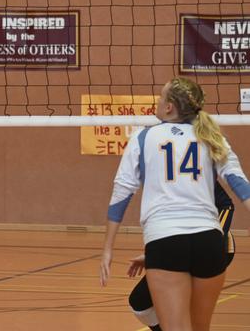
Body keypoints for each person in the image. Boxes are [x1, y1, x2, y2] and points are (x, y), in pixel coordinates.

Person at [101, 77, 250, 331]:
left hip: (166, 240)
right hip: (210, 242)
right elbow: (242, 188)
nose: (158, 103)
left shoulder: (143, 137)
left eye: (161, 98)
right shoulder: (213, 137)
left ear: (169, 107)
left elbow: (121, 194)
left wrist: (107, 249)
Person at [125, 180, 236, 331]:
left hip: (213, 249)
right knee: (139, 303)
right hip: (178, 247)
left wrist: (213, 241)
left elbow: (226, 206)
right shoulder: (160, 179)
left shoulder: (198, 170)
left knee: (190, 313)